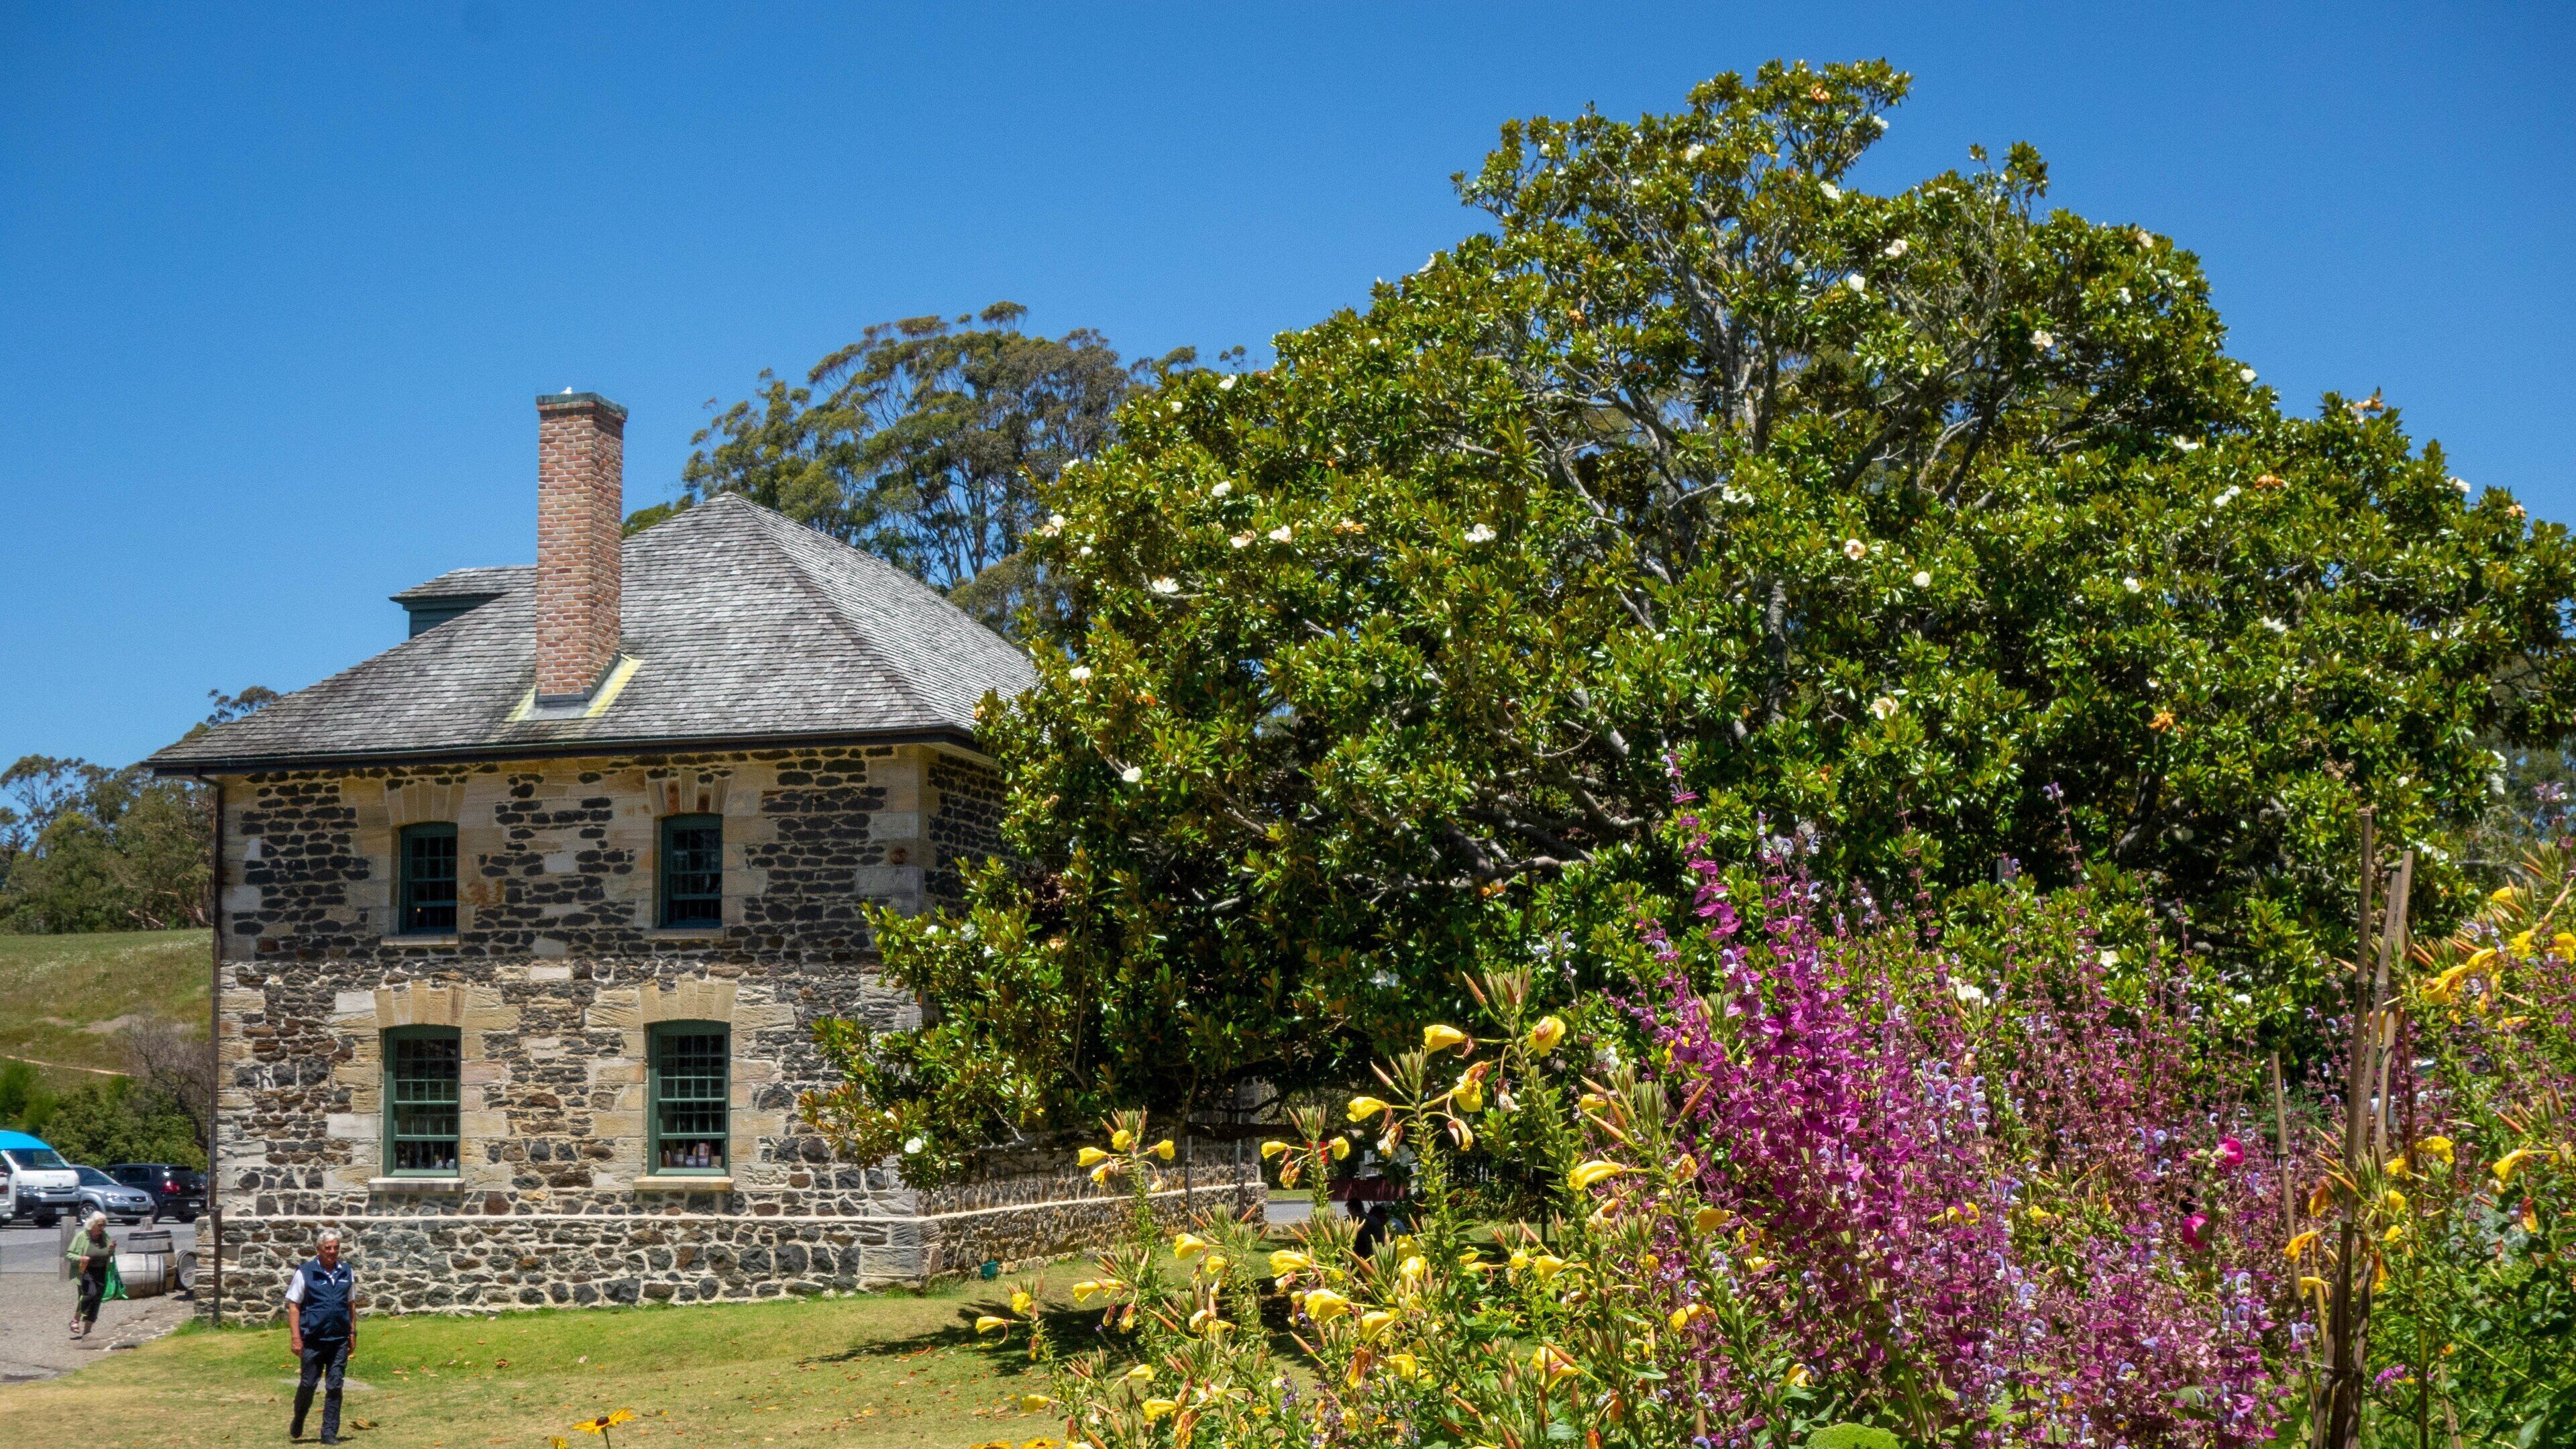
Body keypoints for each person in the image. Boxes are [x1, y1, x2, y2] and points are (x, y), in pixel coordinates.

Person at [285, 1227, 357, 1445]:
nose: (332, 1252)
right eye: (328, 1248)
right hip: (313, 1340)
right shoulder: (305, 1272)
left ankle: (329, 1432)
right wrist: (296, 1338)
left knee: (335, 1386)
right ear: (319, 1250)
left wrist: (352, 1332)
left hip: (338, 1340)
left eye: (336, 1248)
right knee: (308, 1384)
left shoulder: (346, 1272)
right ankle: (299, 1418)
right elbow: (294, 1306)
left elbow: (351, 1303)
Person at [64, 1212, 110, 1339]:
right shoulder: (82, 1236)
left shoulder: (105, 1236)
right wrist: (81, 1258)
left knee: (96, 1300)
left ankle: (87, 1332)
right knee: (90, 1294)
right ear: (92, 1225)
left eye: (104, 1225)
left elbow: (109, 1253)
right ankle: (76, 1318)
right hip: (85, 1271)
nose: (103, 1228)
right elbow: (69, 1254)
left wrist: (111, 1250)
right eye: (100, 1225)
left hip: (101, 1272)